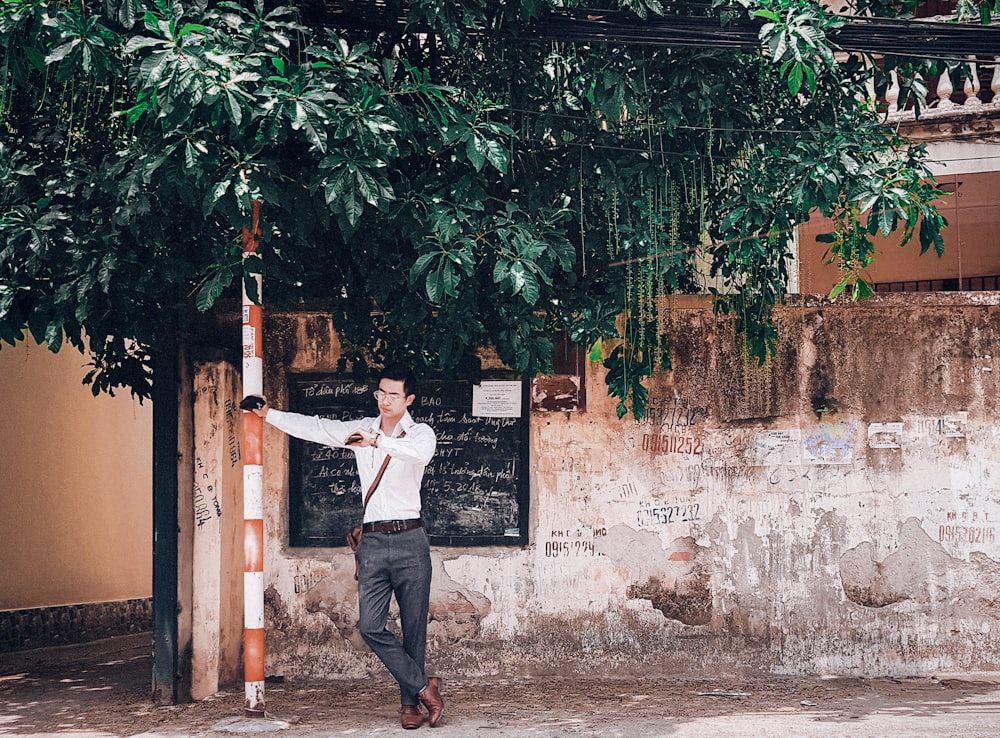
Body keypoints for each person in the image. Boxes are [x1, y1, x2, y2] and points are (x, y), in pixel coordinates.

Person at [244, 365, 443, 729]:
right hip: (372, 542)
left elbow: (419, 456)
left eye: (393, 395)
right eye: (381, 393)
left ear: (409, 399)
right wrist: (267, 414)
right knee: (370, 626)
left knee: (415, 628)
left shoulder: (420, 433)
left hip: (411, 540)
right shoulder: (361, 430)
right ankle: (423, 688)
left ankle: (409, 705)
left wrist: (378, 442)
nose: (384, 400)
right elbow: (316, 428)